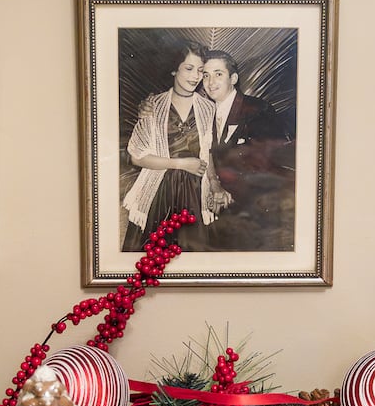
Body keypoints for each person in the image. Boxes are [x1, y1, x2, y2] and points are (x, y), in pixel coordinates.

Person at [121, 42, 218, 251]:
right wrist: (181, 163)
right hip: (160, 192)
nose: (195, 76)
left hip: (195, 194)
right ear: (175, 68)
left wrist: (214, 183)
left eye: (200, 71)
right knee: (151, 259)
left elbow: (208, 153)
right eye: (189, 68)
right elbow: (137, 157)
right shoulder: (153, 106)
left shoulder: (209, 109)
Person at [199, 49, 294, 250]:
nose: (210, 81)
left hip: (254, 211)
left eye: (218, 74)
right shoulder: (203, 112)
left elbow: (269, 164)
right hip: (219, 206)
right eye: (205, 75)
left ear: (233, 78)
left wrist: (229, 192)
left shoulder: (257, 109)